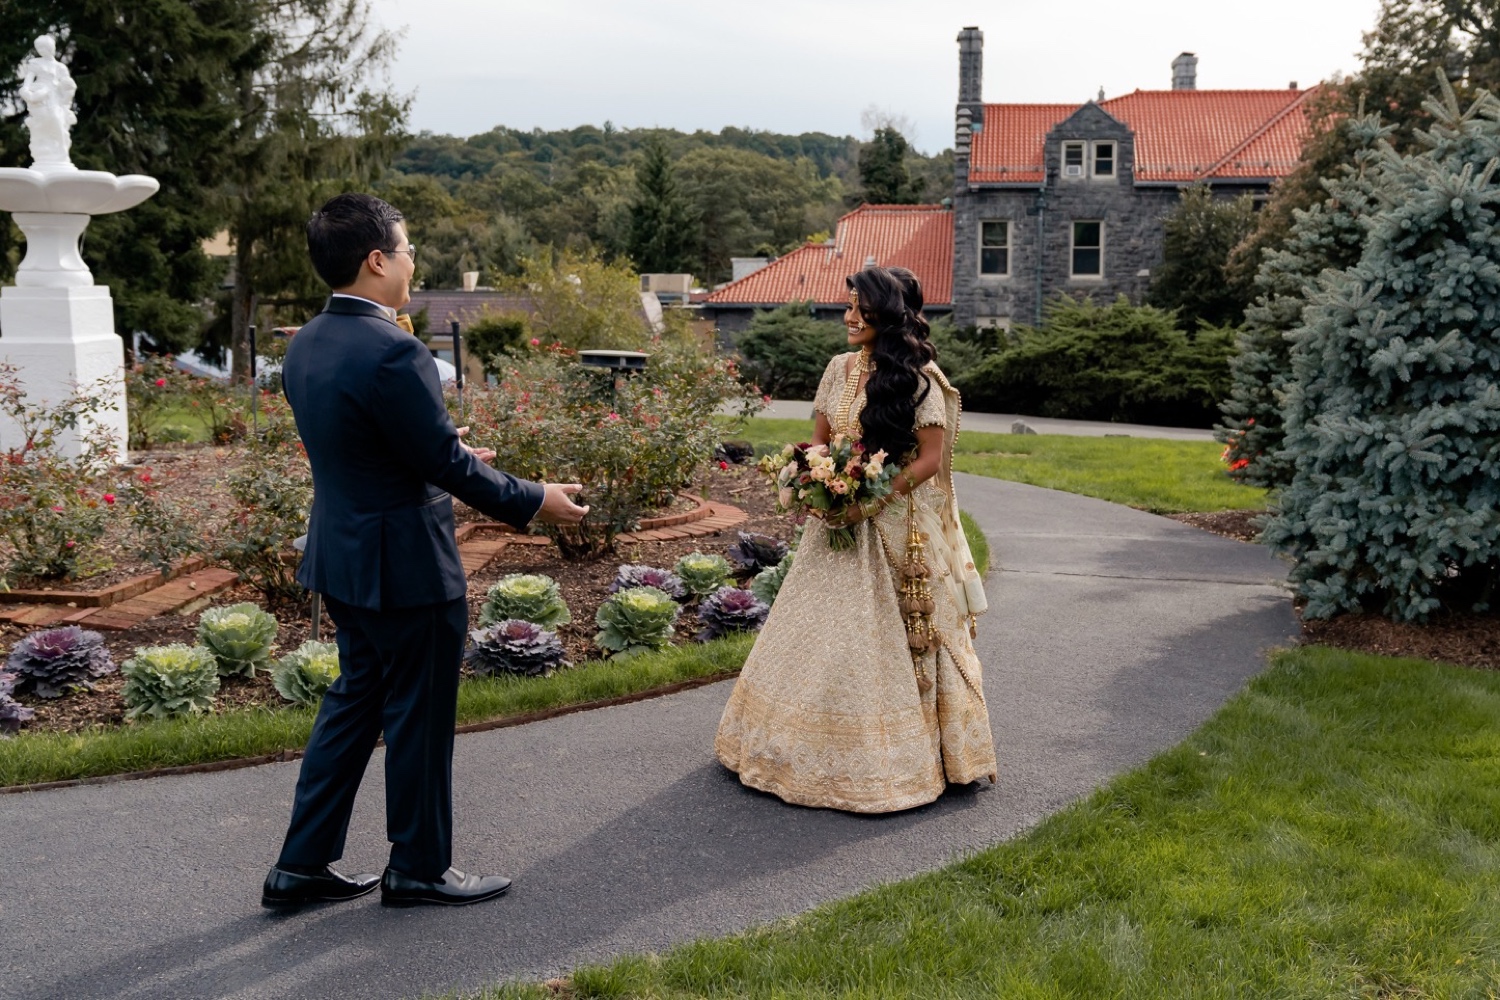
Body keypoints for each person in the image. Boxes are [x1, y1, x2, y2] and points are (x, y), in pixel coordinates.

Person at [262, 193, 588, 909]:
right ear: (376, 260)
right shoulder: (395, 350)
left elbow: (369, 446)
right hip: (405, 566)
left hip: (343, 558)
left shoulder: (308, 341)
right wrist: (537, 498)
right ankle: (418, 867)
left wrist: (445, 452)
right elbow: (444, 465)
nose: (414, 262)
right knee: (419, 716)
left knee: (352, 707)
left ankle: (299, 866)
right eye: (406, 250)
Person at [715, 265, 996, 813]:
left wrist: (871, 498)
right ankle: (788, 751)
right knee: (819, 636)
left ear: (883, 314)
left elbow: (932, 459)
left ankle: (914, 759)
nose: (847, 316)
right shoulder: (838, 368)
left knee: (886, 637)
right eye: (847, 305)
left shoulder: (920, 378)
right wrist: (816, 479)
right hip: (834, 525)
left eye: (858, 307)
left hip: (892, 529)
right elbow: (819, 441)